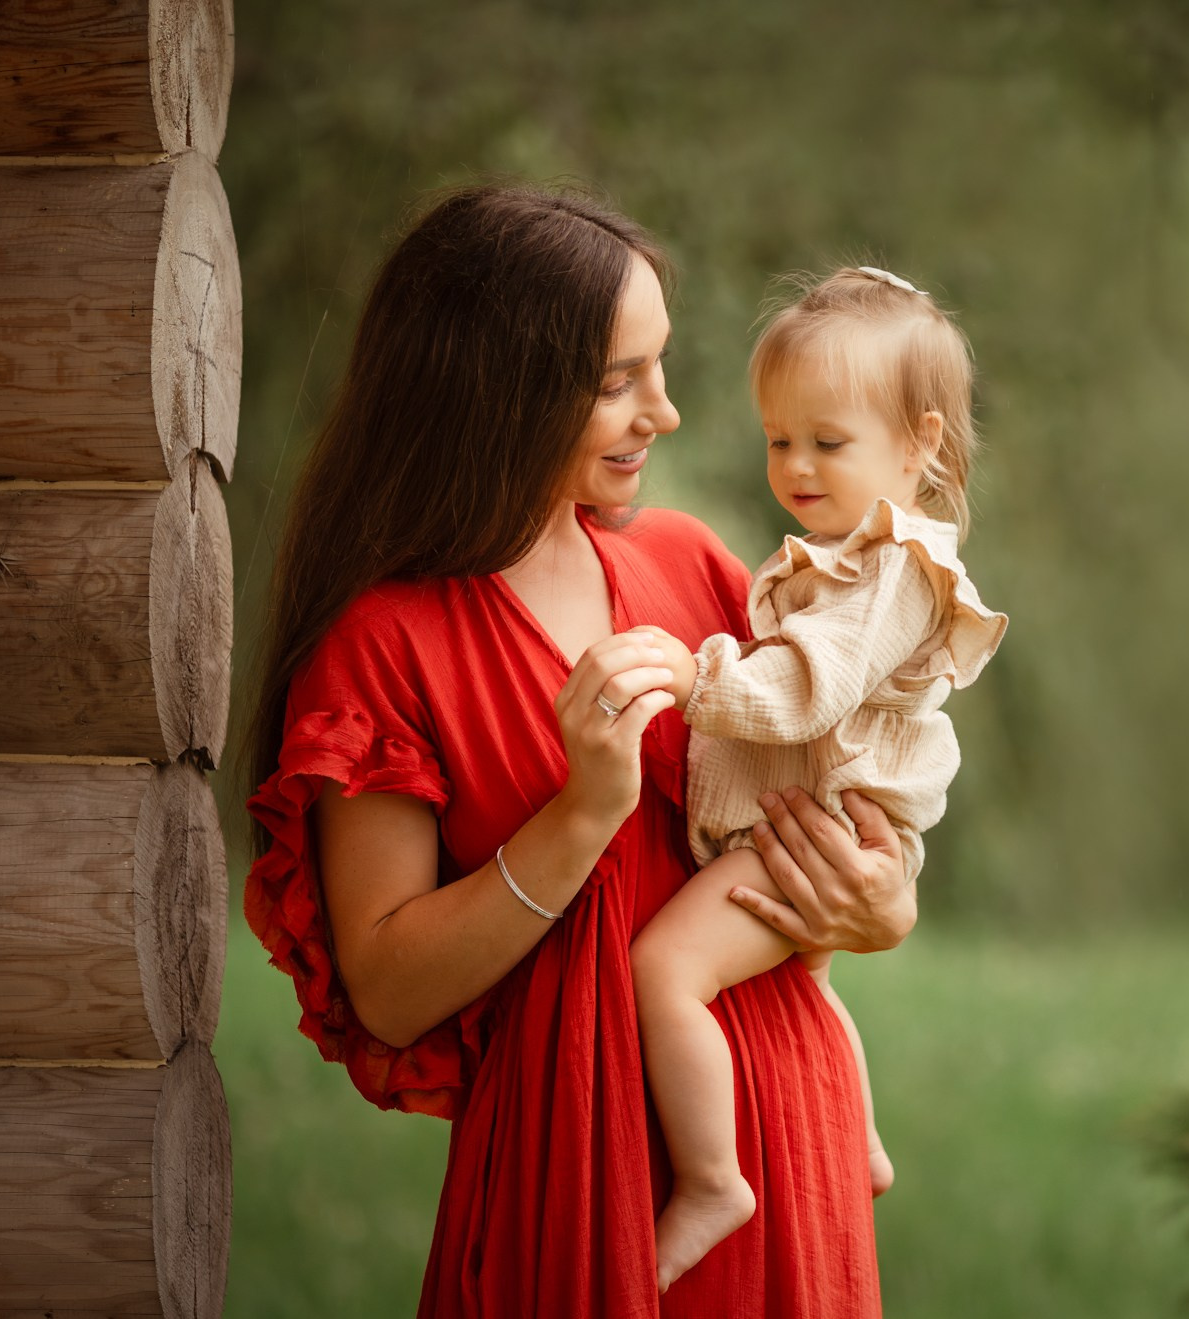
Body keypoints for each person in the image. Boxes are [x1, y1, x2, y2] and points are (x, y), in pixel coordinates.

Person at [242, 184, 914, 1318]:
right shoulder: (384, 646)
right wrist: (583, 810)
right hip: (578, 1163)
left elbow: (830, 815)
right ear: (495, 391)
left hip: (785, 1141)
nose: (666, 411)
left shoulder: (692, 564)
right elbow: (388, 990)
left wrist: (879, 902)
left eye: (659, 368)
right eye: (618, 382)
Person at [626, 266, 1006, 1290]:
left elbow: (803, 689)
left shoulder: (896, 569)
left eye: (826, 443)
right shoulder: (853, 553)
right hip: (821, 815)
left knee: (665, 969)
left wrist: (690, 673)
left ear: (920, 441)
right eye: (776, 438)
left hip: (819, 821)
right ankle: (865, 1136)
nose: (794, 465)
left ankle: (711, 1179)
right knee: (804, 977)